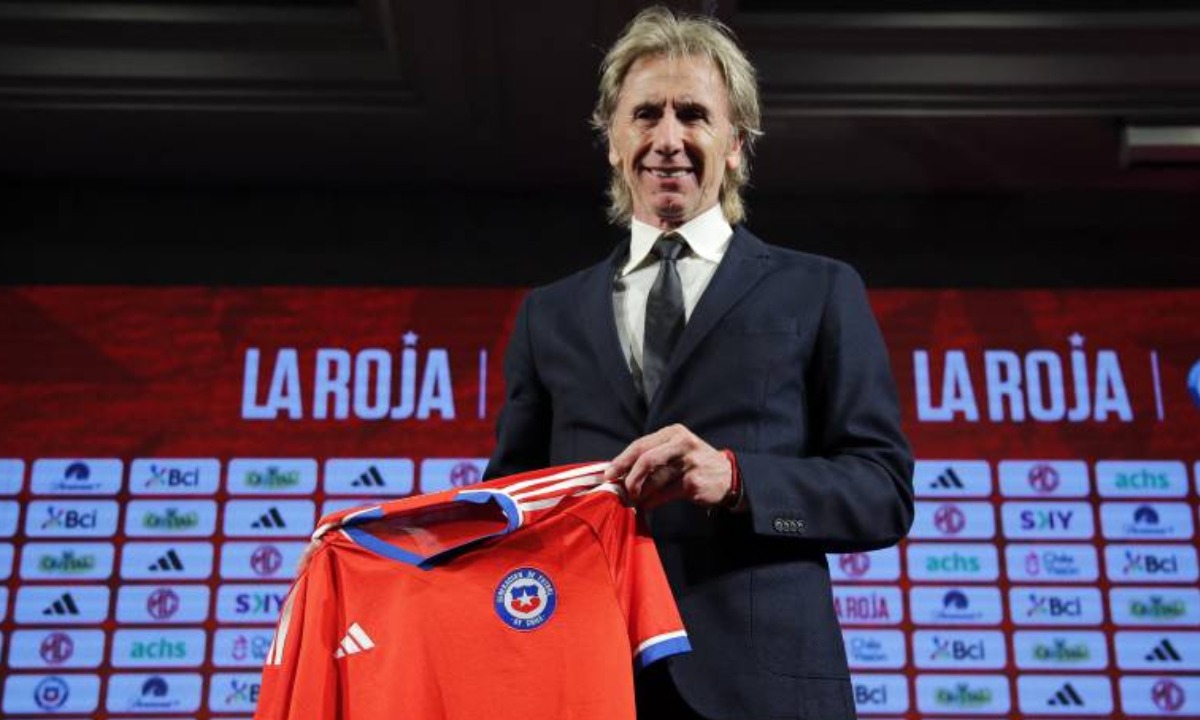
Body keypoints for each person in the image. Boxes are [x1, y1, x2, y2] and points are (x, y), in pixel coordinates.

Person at [485, 7, 913, 719]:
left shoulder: (820, 289)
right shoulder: (548, 314)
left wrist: (737, 478)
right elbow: (514, 500)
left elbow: (882, 491)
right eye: (646, 114)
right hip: (589, 680)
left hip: (765, 693)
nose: (668, 139)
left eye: (694, 115)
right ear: (613, 140)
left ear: (737, 143)